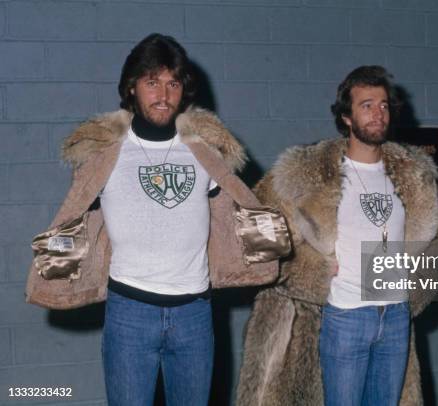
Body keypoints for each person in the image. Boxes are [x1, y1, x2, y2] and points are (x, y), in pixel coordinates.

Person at [26, 33, 277, 406]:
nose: (163, 94)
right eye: (152, 82)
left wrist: (276, 255)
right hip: (130, 314)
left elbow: (237, 211)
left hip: (195, 314)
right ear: (131, 88)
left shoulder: (205, 152)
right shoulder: (105, 154)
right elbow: (74, 217)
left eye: (173, 83)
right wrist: (51, 275)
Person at [237, 65, 438, 406]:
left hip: (396, 317)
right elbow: (255, 233)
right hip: (343, 317)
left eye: (383, 105)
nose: (378, 113)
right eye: (366, 105)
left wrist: (417, 283)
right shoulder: (310, 169)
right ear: (346, 117)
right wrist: (309, 273)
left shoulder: (415, 173)